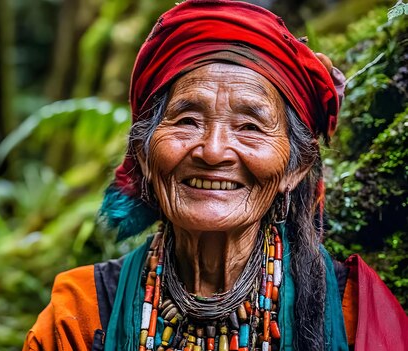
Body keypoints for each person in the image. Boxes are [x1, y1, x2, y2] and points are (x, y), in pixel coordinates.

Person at [23, 1, 408, 350]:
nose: (213, 150)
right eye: (188, 121)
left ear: (297, 167)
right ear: (142, 153)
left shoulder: (355, 315)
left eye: (250, 127)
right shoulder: (76, 315)